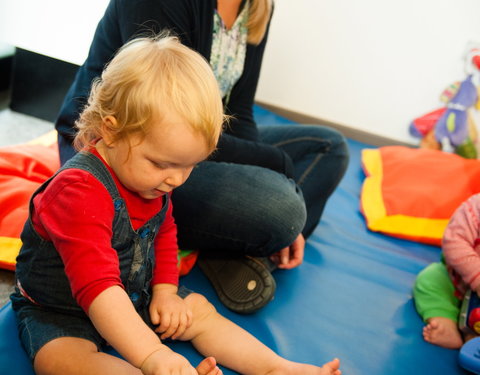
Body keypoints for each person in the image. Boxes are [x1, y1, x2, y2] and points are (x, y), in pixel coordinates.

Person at [11, 35, 342, 375]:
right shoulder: (77, 192)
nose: (177, 180)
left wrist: (166, 293)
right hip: (65, 310)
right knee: (60, 360)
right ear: (110, 132)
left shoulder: (153, 181)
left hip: (134, 296)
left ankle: (277, 368)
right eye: (162, 164)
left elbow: (165, 233)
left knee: (198, 312)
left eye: (190, 166)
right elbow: (99, 290)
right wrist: (153, 356)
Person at [55, 0, 349, 313]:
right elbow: (164, 125)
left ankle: (242, 253)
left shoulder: (257, 7)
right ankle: (245, 244)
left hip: (193, 144)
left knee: (328, 148)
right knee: (285, 208)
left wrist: (272, 172)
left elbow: (238, 112)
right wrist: (281, 169)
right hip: (130, 148)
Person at [413, 193, 480, 349]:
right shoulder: (474, 209)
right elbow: (454, 242)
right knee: (430, 279)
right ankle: (445, 321)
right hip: (456, 283)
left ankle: (472, 338)